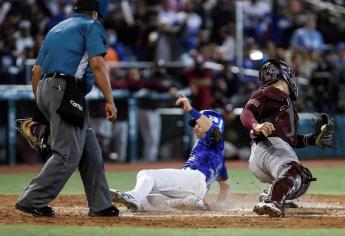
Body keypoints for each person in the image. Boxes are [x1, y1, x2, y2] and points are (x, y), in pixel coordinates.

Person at [15, 0, 119, 217]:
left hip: (46, 88)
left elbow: (36, 70)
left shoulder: (56, 29)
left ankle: (101, 205)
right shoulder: (91, 25)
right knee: (67, 153)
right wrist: (109, 98)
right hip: (64, 89)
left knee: (90, 151)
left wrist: (42, 107)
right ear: (93, 13)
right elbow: (98, 64)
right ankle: (32, 199)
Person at [240, 58, 331, 217]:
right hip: (268, 147)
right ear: (283, 75)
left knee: (304, 178)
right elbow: (246, 113)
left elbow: (292, 140)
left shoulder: (283, 102)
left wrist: (313, 138)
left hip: (270, 152)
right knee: (294, 171)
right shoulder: (268, 92)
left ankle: (272, 193)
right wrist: (257, 126)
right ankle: (273, 201)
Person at [110, 94, 230, 211]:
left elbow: (211, 130)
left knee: (146, 174)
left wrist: (191, 110)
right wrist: (220, 206)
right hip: (193, 188)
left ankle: (134, 196)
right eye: (195, 124)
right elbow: (225, 186)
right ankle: (190, 202)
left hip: (193, 178)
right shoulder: (219, 156)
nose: (195, 127)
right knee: (149, 198)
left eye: (199, 123)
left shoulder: (216, 142)